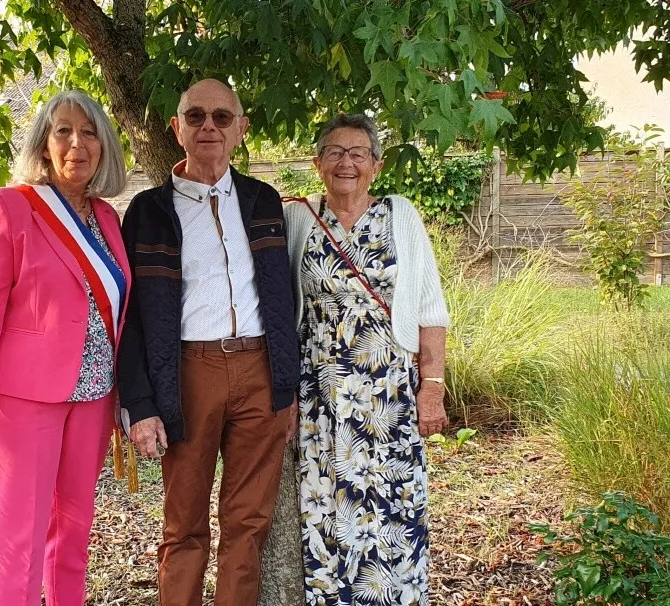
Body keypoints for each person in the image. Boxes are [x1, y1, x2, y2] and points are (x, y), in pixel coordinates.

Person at [0, 90, 130, 606]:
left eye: (89, 133)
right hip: (22, 402)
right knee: (20, 542)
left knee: (74, 533)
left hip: (92, 397)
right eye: (63, 131)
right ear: (44, 143)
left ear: (103, 147)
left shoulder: (108, 218)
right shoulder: (9, 206)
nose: (76, 144)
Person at [117, 78, 300, 606]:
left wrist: (285, 388)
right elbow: (129, 318)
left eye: (222, 117)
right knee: (185, 526)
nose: (209, 127)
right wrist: (141, 403)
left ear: (241, 130)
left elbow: (283, 298)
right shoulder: (149, 212)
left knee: (248, 524)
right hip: (189, 374)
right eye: (195, 117)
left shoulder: (265, 201)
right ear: (176, 129)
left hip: (260, 372)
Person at [283, 113, 450, 605]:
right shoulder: (299, 219)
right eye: (335, 152)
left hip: (389, 393)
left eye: (358, 153)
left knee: (393, 508)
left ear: (376, 165)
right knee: (328, 510)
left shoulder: (401, 215)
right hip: (321, 395)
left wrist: (432, 387)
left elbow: (429, 307)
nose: (346, 162)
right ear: (316, 163)